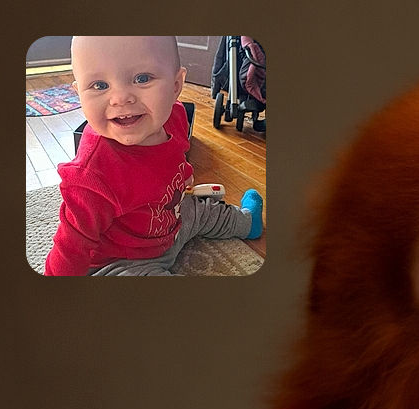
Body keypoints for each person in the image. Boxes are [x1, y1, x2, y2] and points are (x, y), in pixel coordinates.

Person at [44, 36, 263, 276]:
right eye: (99, 85)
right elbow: (70, 247)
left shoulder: (176, 116)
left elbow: (177, 155)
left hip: (172, 219)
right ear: (79, 94)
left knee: (205, 211)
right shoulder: (91, 174)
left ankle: (248, 222)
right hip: (123, 258)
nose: (120, 99)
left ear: (176, 86)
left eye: (142, 78)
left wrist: (185, 177)